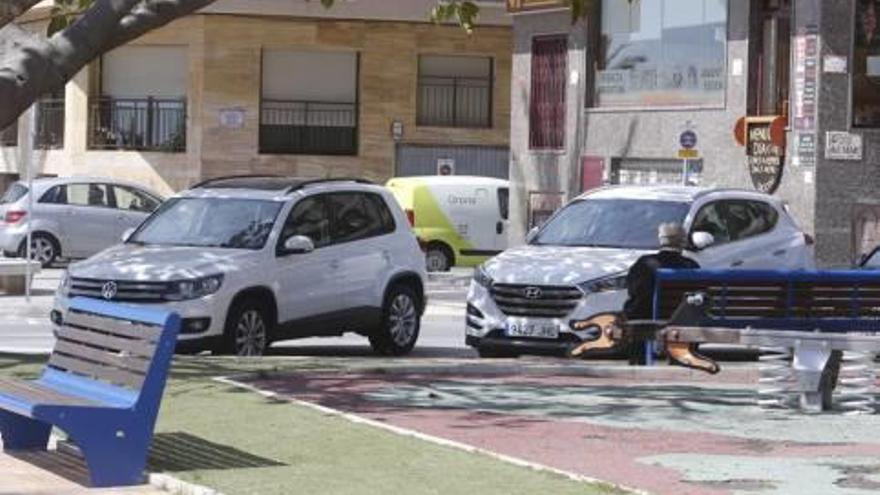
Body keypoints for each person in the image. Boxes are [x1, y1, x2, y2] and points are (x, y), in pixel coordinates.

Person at [622, 223, 700, 365]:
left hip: (649, 316)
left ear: (661, 239)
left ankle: (639, 361)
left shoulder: (645, 264)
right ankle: (682, 358)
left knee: (636, 312)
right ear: (682, 242)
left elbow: (633, 291)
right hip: (682, 317)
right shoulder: (691, 265)